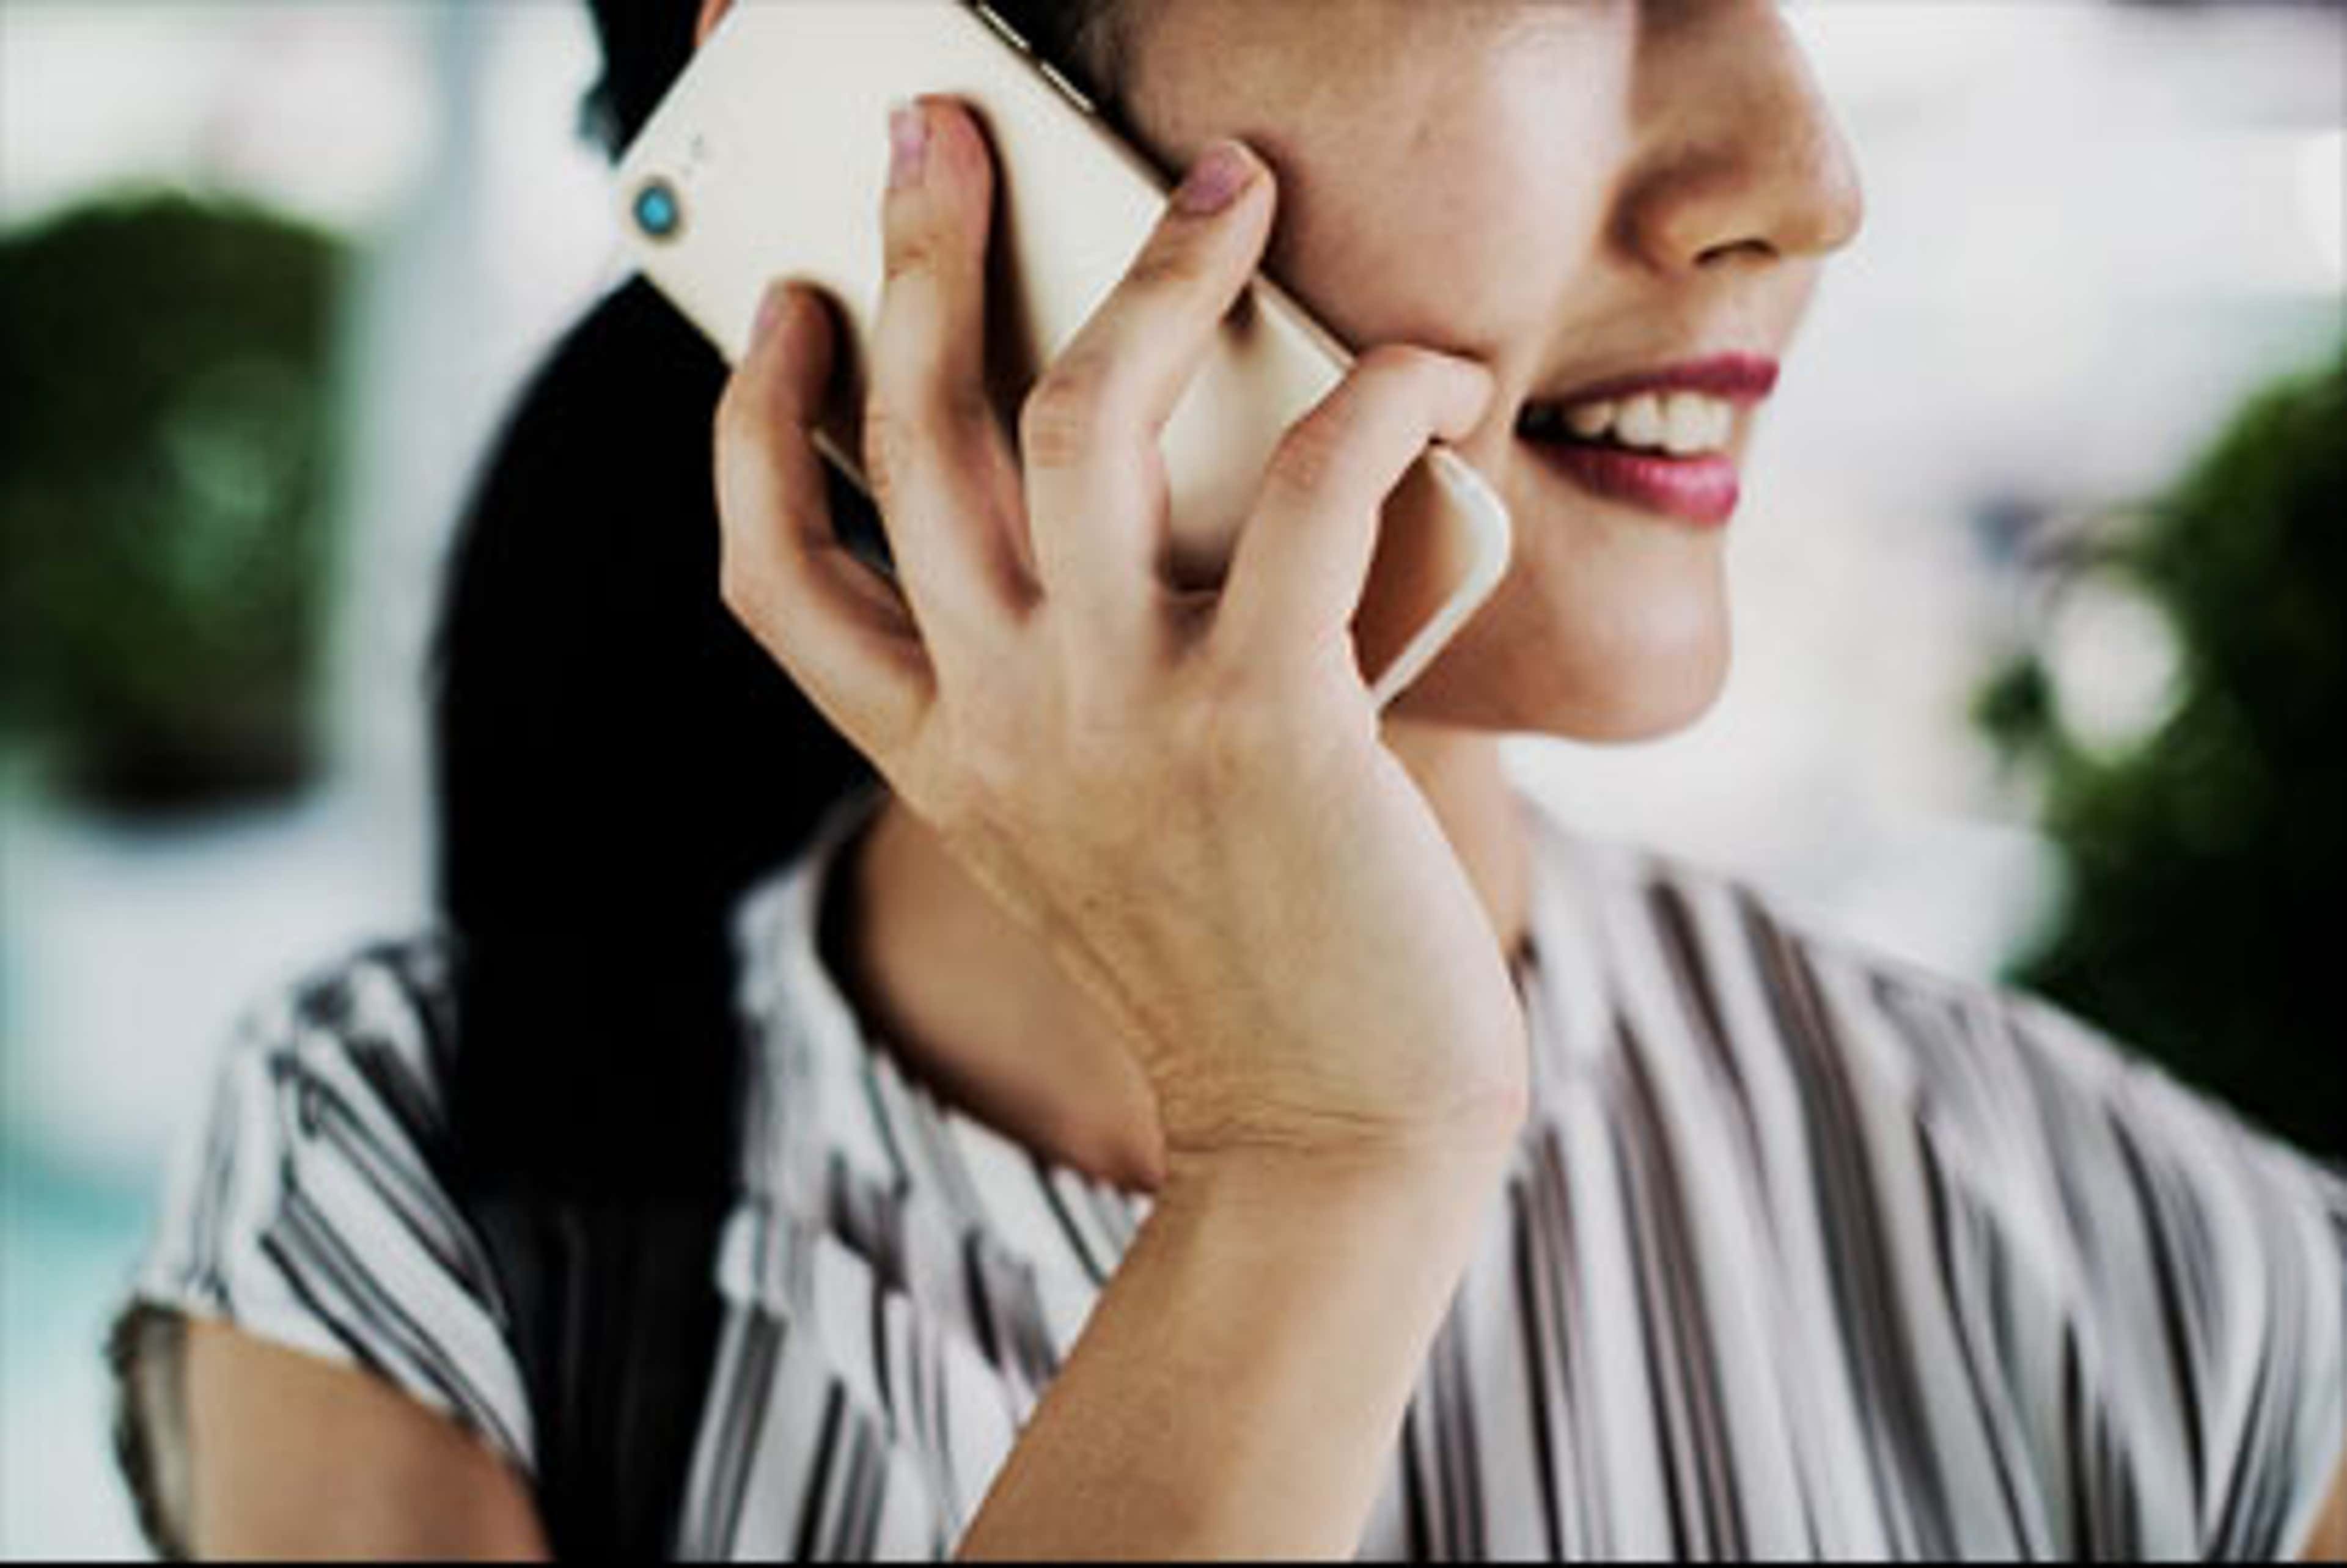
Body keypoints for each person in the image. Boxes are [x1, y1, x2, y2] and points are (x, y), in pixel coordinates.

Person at [107, 0, 2347, 1558]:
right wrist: (1317, 1163)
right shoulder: (392, 1204)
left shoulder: (2224, 1303)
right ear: (889, 100)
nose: (1805, 178)